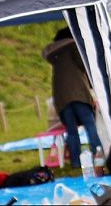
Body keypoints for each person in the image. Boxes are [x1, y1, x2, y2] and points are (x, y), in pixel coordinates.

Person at [42, 27, 102, 168]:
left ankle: (76, 162)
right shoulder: (74, 47)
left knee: (71, 131)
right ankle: (99, 155)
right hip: (79, 94)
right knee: (90, 125)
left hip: (62, 98)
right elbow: (83, 66)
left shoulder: (54, 53)